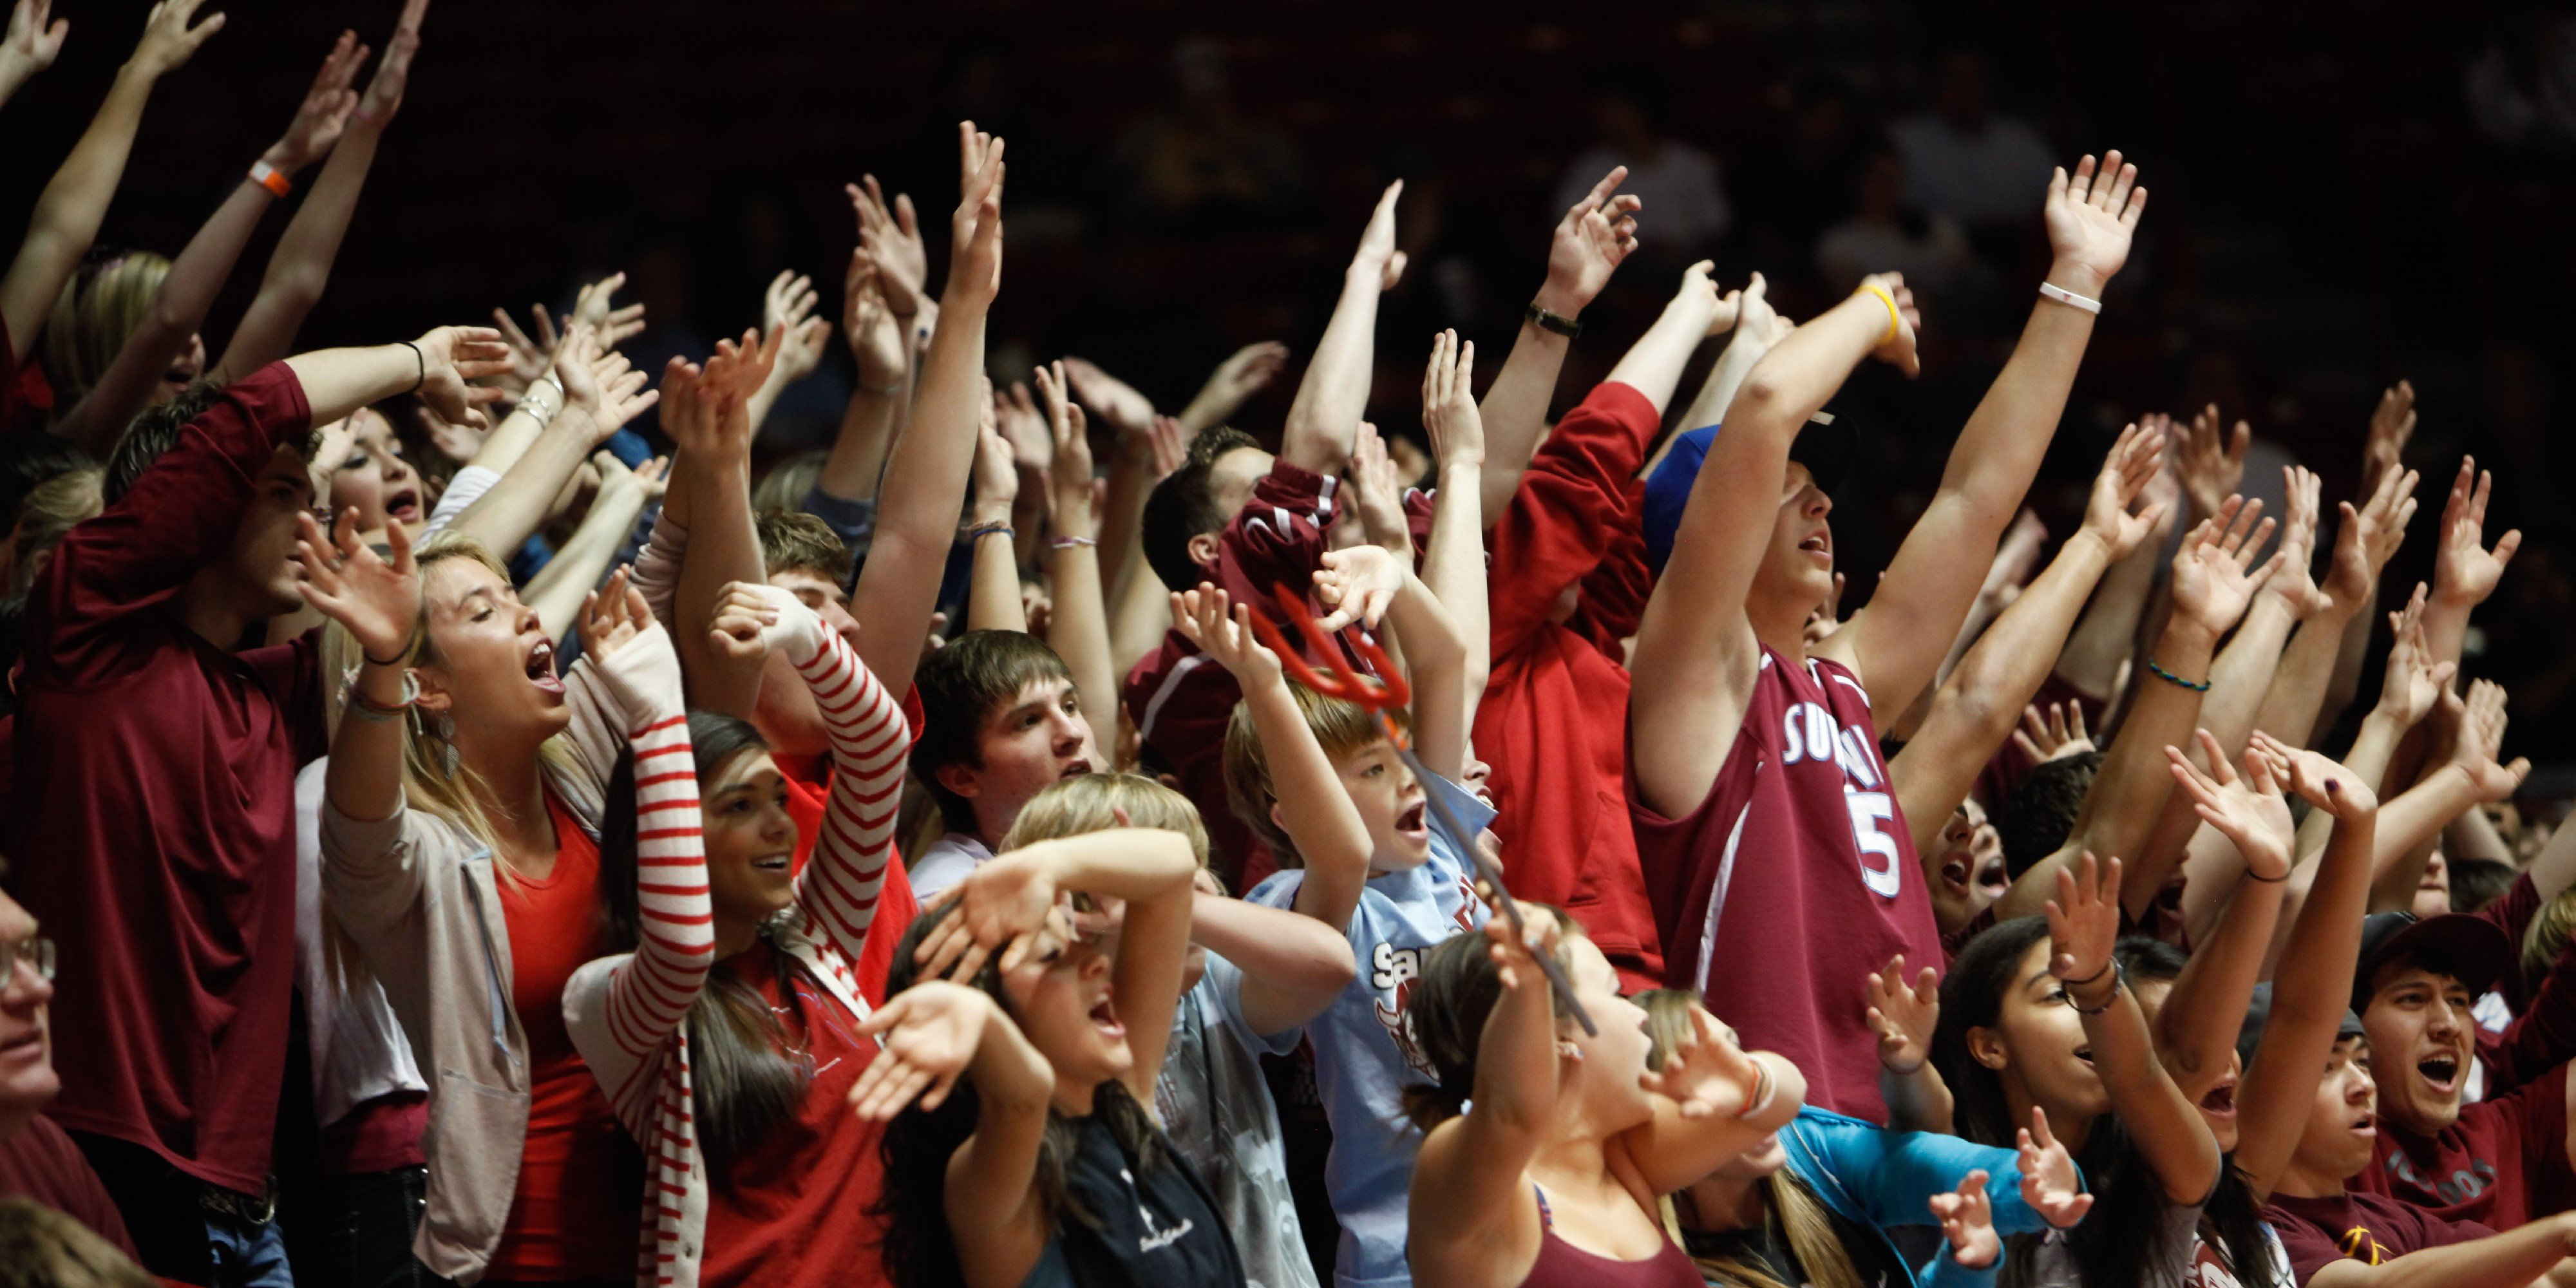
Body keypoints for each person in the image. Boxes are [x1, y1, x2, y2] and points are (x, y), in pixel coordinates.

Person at [1629, 151, 2146, 1122]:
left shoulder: (1844, 682)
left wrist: (2074, 283)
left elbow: (1973, 500)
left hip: (1901, 1128)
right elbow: (1768, 405)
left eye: (1820, 486)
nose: (1822, 500)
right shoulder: (1693, 680)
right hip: (1771, 1146)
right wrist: (1874, 308)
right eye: (1791, 488)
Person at [10, 325, 504, 1287]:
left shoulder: (267, 696)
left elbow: (429, 600)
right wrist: (418, 359)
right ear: (200, 506)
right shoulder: (87, 634)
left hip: (249, 1193)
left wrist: (555, 418)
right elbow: (257, 405)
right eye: (285, 497)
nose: (315, 528)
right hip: (108, 1153)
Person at [301, 447, 708, 1288]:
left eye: (519, 600)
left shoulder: (581, 760)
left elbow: (659, 576)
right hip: (521, 1251)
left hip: (669, 1224)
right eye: (490, 612)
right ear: (431, 688)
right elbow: (359, 831)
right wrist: (379, 671)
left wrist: (713, 448)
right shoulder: (425, 860)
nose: (532, 620)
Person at [564, 579, 908, 1288]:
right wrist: (658, 714)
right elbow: (685, 945)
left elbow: (880, 749)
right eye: (740, 805)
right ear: (673, 834)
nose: (781, 824)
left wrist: (808, 636)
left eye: (777, 797)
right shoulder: (608, 1001)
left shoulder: (816, 940)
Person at [1180, 562, 1482, 1288]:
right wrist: (1263, 684)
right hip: (1401, 1255)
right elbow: (1336, 851)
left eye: (1401, 755)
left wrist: (1397, 575)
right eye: (1372, 770)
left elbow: (1444, 662)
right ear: (1292, 811)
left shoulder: (1444, 846)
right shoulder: (1308, 905)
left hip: (1533, 1217)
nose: (1409, 778)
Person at [1003, 771, 1353, 1288]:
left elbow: (1331, 965)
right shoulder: (1062, 1042)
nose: (1202, 885)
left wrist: (1175, 908)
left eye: (1198, 866)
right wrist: (1154, 913)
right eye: (1163, 875)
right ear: (1078, 907)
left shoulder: (1214, 987)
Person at [857, 824, 1242, 1288]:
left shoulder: (1125, 1099)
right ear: (990, 1004)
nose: (1096, 960)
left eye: (1076, 938)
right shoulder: (987, 1187)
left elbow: (1175, 864)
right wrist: (980, 1019)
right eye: (1051, 953)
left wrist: (1048, 863)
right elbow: (1022, 1096)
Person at [1401, 913, 1804, 1288]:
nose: (1640, 1015)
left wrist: (1753, 1084)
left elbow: (1781, 1104)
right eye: (1617, 993)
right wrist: (1528, 983)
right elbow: (1511, 1113)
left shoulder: (1622, 1161)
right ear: (1560, 1036)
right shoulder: (1476, 1190)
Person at [1641, 988, 2090, 1288]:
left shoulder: (1804, 1146)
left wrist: (2029, 1186)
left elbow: (1922, 1164)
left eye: (1739, 1055)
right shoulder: (1663, 1266)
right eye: (1710, 1084)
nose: (1747, 1095)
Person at [1930, 855, 2223, 1288]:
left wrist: (2097, 983)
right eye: (2056, 995)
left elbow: (2136, 1075)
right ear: (1990, 1046)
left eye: (2092, 996)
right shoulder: (1944, 1185)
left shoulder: (2153, 1169)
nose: (2088, 1014)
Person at [908, 630, 1103, 898]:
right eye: (1030, 721)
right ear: (963, 778)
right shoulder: (949, 897)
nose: (1072, 733)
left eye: (1070, 706)